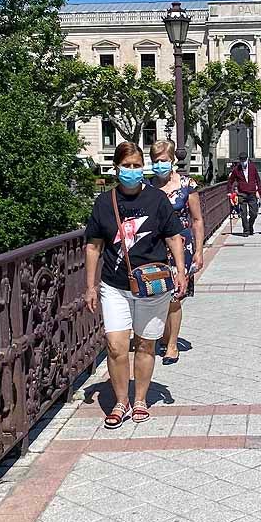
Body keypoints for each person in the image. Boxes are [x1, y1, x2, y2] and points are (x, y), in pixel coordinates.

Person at [84, 141, 188, 428]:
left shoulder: (157, 200)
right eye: (127, 166)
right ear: (116, 168)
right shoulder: (105, 203)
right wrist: (90, 286)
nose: (132, 171)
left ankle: (140, 399)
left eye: (137, 166)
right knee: (116, 345)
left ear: (144, 167)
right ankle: (120, 401)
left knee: (145, 344)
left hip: (151, 285)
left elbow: (173, 237)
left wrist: (181, 271)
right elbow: (93, 247)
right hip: (114, 285)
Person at [149, 140, 204, 364]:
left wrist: (199, 251)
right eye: (155, 161)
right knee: (156, 295)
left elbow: (198, 219)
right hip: (154, 246)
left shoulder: (186, 185)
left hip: (181, 247)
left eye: (163, 160)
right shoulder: (147, 187)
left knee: (174, 297)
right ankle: (162, 336)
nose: (159, 165)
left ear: (172, 160)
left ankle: (172, 344)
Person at [228, 151, 261, 236]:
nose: (243, 162)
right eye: (241, 160)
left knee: (254, 213)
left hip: (252, 193)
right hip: (242, 193)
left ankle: (250, 226)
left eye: (244, 160)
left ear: (247, 159)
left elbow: (258, 180)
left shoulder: (252, 167)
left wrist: (259, 191)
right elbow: (230, 181)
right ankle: (246, 230)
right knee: (243, 214)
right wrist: (230, 192)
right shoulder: (236, 170)